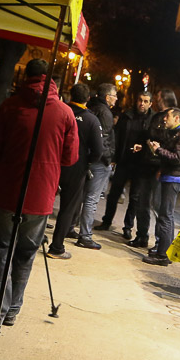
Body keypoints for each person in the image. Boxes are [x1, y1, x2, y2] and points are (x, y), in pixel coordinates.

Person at [0, 59, 78, 332]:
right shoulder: (65, 113)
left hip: (9, 190)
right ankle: (12, 309)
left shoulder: (10, 106)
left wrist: (8, 166)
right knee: (25, 253)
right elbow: (70, 158)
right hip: (41, 194)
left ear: (26, 76)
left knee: (2, 251)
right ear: (51, 79)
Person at [47, 83, 103, 260]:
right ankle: (56, 247)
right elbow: (98, 150)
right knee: (68, 208)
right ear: (88, 99)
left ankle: (35, 237)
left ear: (70, 95)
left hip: (53, 162)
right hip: (76, 167)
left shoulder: (60, 112)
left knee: (45, 201)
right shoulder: (91, 120)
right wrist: (87, 162)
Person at [142, 106, 180, 267]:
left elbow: (177, 158)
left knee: (166, 216)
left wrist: (158, 150)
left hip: (174, 178)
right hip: (169, 176)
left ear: (177, 118)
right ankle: (163, 249)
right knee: (164, 214)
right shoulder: (177, 133)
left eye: (168, 116)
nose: (164, 119)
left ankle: (163, 255)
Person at [98, 89, 152, 239]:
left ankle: (128, 227)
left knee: (135, 197)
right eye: (140, 100)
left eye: (145, 101)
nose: (142, 104)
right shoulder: (127, 115)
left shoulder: (152, 120)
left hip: (140, 164)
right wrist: (114, 157)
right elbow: (117, 136)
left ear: (150, 104)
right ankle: (106, 221)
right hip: (124, 160)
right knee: (114, 193)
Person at [129, 88, 177, 249]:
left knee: (158, 206)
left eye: (158, 97)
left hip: (159, 168)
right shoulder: (156, 117)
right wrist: (142, 146)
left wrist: (162, 166)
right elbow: (151, 138)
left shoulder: (172, 118)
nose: (156, 100)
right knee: (142, 202)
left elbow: (170, 144)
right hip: (146, 164)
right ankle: (141, 236)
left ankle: (160, 242)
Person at [76, 83, 116, 250]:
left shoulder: (90, 108)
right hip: (99, 161)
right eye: (114, 96)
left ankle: (71, 227)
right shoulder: (105, 113)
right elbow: (103, 139)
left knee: (80, 196)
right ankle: (85, 235)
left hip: (85, 157)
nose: (116, 99)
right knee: (91, 199)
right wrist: (108, 158)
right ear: (107, 97)